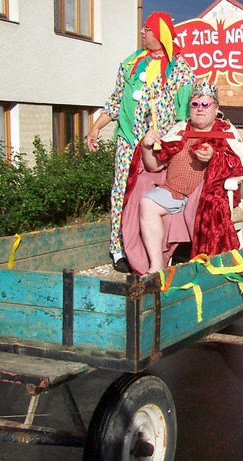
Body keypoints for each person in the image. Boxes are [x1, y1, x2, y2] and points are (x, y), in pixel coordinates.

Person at [86, 11, 196, 273]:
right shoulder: (130, 64)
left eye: (147, 29)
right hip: (128, 140)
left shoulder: (181, 70)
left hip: (161, 147)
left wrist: (173, 146)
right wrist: (96, 127)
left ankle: (159, 251)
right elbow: (115, 102)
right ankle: (118, 249)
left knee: (159, 196)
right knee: (121, 191)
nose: (142, 32)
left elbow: (184, 117)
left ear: (160, 33)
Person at [122, 81, 243, 274]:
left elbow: (238, 165)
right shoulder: (179, 130)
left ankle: (204, 267)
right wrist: (147, 147)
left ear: (216, 108)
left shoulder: (225, 131)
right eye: (195, 104)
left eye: (205, 104)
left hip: (204, 193)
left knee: (207, 208)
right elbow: (154, 166)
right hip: (172, 191)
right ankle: (156, 265)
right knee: (146, 202)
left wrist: (215, 157)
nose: (200, 109)